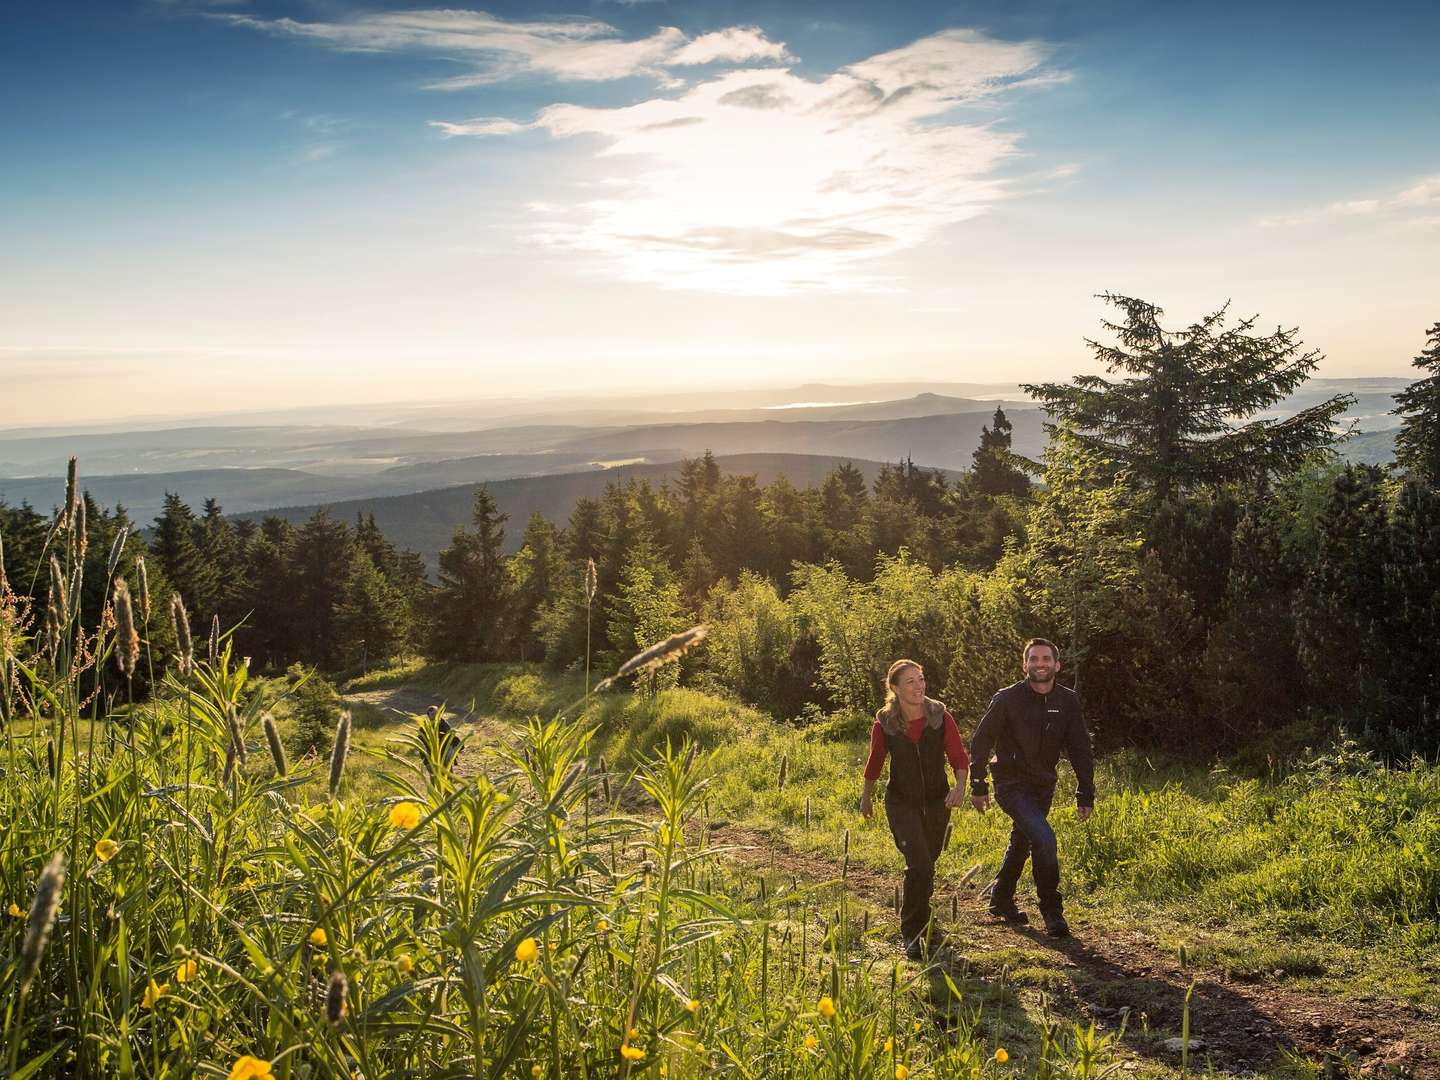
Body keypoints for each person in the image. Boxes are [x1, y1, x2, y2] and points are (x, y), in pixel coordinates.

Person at [968, 638, 1095, 938]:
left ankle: (1000, 898)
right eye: (1034, 659)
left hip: (1043, 785)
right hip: (1010, 783)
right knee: (1044, 838)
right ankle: (1052, 912)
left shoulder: (1068, 701)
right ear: (1025, 665)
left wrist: (1085, 791)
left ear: (1057, 665)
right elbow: (982, 740)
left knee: (1024, 840)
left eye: (1046, 659)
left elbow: (1080, 748)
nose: (1040, 664)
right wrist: (978, 783)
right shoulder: (1007, 698)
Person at [861, 659, 969, 960]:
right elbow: (875, 761)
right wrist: (866, 797)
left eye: (921, 679)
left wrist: (959, 787)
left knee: (928, 863)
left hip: (937, 802)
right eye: (910, 681)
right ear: (894, 688)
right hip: (901, 802)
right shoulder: (885, 722)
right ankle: (912, 933)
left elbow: (959, 756)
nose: (919, 685)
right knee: (919, 864)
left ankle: (922, 908)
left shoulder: (940, 716)